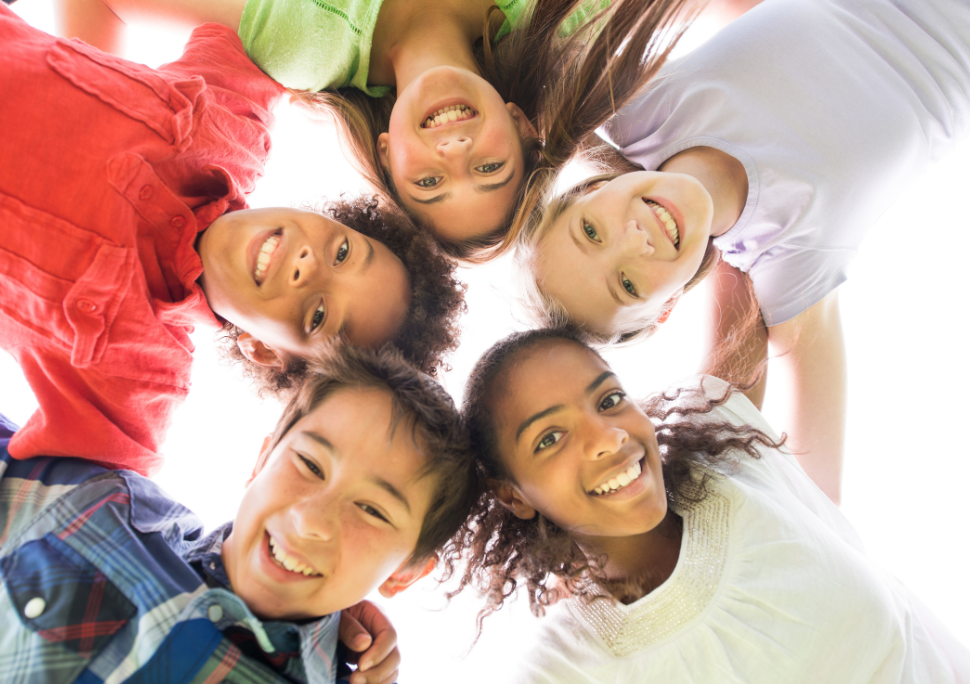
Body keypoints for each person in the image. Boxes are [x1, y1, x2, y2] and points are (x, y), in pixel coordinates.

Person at [0, 0, 464, 475]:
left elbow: (63, 504)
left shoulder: (137, 379)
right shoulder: (232, 120)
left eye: (318, 315)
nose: (309, 265)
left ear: (262, 349)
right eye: (344, 251)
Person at [516, 0, 970, 502]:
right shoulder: (789, 262)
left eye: (591, 231)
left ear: (588, 190)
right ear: (666, 308)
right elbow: (820, 501)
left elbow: (518, 43)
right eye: (627, 283)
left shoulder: (640, 112)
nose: (636, 240)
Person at [0, 328, 478, 684]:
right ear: (262, 457)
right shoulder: (102, 508)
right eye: (310, 465)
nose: (310, 520)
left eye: (373, 511)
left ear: (406, 572)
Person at [453, 327, 970, 682]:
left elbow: (735, 228)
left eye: (609, 400)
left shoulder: (721, 444)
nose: (607, 438)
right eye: (550, 438)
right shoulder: (569, 666)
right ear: (513, 494)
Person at [55, 0, 699, 259]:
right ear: (523, 125)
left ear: (389, 154)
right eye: (487, 168)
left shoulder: (300, 46)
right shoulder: (559, 19)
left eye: (428, 179)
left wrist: (78, 135)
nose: (453, 150)